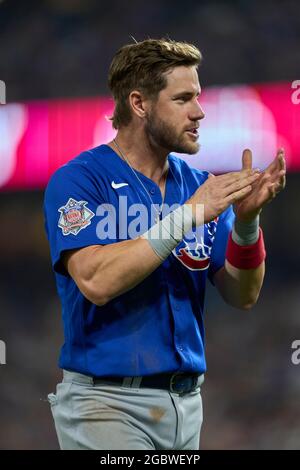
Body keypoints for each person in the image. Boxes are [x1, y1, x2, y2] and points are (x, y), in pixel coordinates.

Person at [44, 38, 286, 450]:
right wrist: (189, 215)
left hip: (186, 405)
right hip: (106, 403)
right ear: (139, 104)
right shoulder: (81, 181)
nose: (200, 110)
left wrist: (246, 223)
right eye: (183, 98)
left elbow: (242, 294)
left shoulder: (197, 187)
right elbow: (96, 282)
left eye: (199, 96)